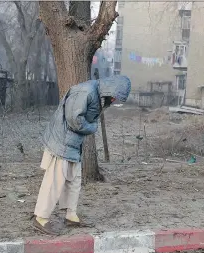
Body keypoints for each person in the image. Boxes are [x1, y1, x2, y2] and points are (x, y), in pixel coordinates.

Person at [32, 75, 131, 235]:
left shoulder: (100, 95)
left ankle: (71, 216)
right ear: (111, 88)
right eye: (115, 96)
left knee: (74, 180)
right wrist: (92, 127)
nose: (114, 100)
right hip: (61, 142)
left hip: (73, 143)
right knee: (54, 181)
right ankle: (40, 218)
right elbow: (74, 119)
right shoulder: (86, 91)